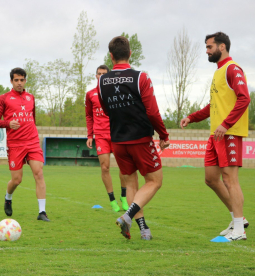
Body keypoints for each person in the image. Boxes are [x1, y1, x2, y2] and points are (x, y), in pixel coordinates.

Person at [180, 32, 250, 241]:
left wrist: (226, 124)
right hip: (216, 135)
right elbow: (213, 107)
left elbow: (244, 98)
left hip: (229, 133)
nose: (207, 51)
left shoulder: (232, 68)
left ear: (222, 47)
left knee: (230, 179)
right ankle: (237, 219)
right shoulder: (218, 72)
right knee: (211, 179)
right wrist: (191, 118)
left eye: (209, 47)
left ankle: (239, 230)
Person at [98, 36, 170, 240]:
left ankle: (144, 230)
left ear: (111, 56)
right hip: (140, 140)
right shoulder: (141, 78)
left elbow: (106, 109)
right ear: (130, 53)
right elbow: (153, 112)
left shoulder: (102, 81)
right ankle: (127, 216)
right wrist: (163, 135)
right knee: (155, 181)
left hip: (118, 141)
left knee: (131, 185)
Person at [0, 67, 50, 222]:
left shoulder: (31, 97)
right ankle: (8, 197)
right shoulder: (4, 98)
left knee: (39, 173)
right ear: (11, 81)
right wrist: (9, 124)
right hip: (15, 144)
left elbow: (33, 118)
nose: (19, 83)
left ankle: (42, 212)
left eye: (22, 80)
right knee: (17, 180)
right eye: (16, 80)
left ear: (25, 80)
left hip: (32, 142)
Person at [85, 65, 129, 212]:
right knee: (105, 167)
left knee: (123, 167)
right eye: (99, 74)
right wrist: (90, 135)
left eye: (104, 74)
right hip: (101, 135)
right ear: (96, 76)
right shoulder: (90, 94)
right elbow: (89, 116)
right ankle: (112, 200)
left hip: (117, 134)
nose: (101, 76)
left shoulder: (116, 92)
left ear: (108, 76)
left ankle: (124, 197)